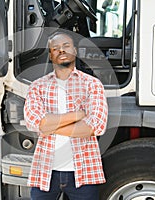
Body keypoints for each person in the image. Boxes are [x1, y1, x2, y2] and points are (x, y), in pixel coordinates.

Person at [24, 32, 108, 200]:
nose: (61, 51)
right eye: (55, 48)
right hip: (46, 172)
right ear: (50, 55)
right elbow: (37, 123)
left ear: (75, 51)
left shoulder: (91, 84)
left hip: (84, 172)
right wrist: (78, 115)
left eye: (66, 46)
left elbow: (96, 126)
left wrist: (50, 126)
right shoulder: (37, 86)